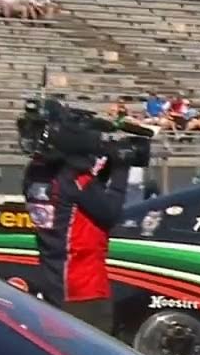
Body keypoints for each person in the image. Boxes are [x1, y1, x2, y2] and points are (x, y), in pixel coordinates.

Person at [21, 138, 131, 334]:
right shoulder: (74, 180)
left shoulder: (33, 174)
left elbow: (87, 196)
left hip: (52, 281)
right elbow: (110, 212)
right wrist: (121, 169)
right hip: (83, 288)